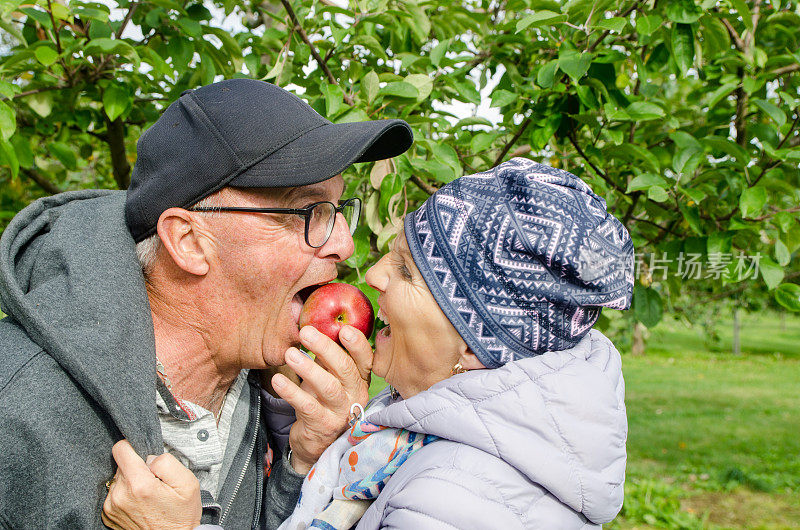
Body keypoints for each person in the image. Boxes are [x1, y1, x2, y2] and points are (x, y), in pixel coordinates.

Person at [104, 157, 635, 528]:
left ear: (474, 347)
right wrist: (312, 452)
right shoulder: (419, 432)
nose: (373, 273)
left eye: (406, 272)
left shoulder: (454, 501)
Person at [0, 78, 413, 529]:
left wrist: (303, 463)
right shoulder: (18, 413)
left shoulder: (258, 389)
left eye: (337, 210)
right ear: (189, 241)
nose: (345, 244)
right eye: (308, 211)